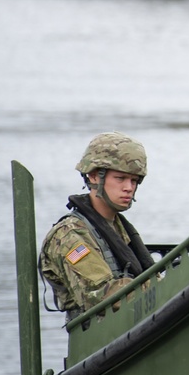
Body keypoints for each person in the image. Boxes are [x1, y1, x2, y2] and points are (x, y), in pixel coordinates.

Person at [40, 131, 154, 321]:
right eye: (120, 178)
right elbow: (100, 295)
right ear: (94, 176)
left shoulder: (118, 228)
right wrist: (162, 286)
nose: (128, 187)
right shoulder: (70, 235)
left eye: (134, 180)